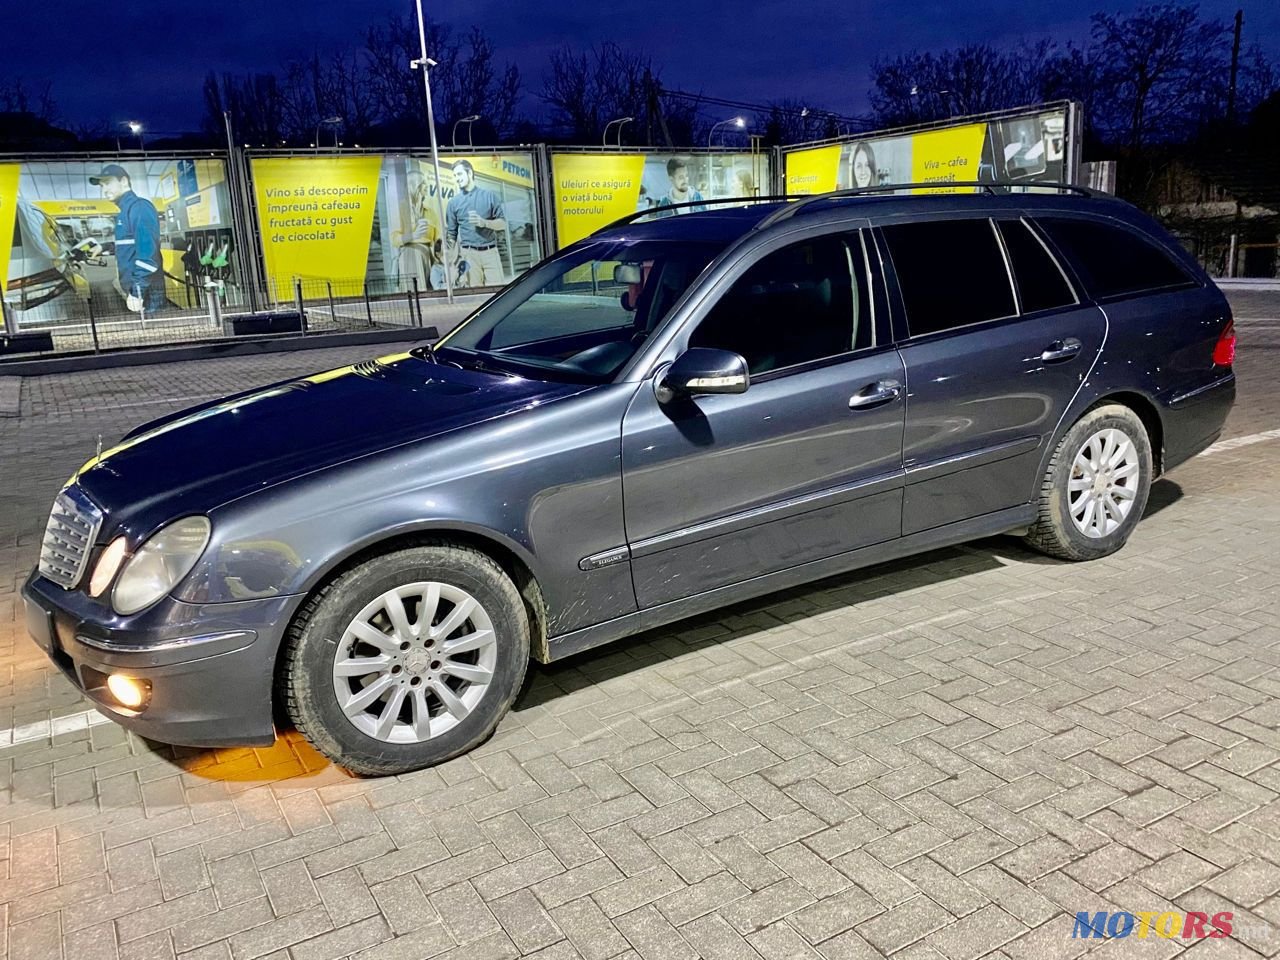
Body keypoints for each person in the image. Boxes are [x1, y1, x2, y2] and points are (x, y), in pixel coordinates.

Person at [89, 164, 166, 314]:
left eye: (108, 183)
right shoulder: (126, 211)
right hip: (140, 292)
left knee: (156, 334)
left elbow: (148, 255)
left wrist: (137, 292)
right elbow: (130, 244)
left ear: (123, 181)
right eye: (101, 185)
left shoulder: (139, 208)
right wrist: (104, 247)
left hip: (147, 294)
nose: (104, 190)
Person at [445, 159, 507, 287]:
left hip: (490, 252)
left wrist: (484, 223)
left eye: (460, 174)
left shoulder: (489, 196)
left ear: (470, 173)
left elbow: (502, 224)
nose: (457, 178)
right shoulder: (453, 203)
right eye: (455, 175)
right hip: (469, 255)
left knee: (497, 292)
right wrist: (450, 263)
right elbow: (451, 235)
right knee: (474, 294)